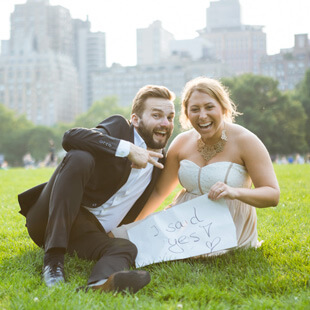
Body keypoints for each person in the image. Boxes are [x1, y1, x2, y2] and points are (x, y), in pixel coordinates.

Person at [17, 85, 175, 293]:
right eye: (157, 115)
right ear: (136, 120)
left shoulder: (162, 162)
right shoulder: (119, 128)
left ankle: (99, 284)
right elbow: (72, 136)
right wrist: (127, 150)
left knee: (126, 248)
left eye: (170, 117)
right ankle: (53, 261)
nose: (165, 123)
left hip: (88, 233)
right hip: (48, 220)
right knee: (79, 157)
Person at [111, 77, 280, 256]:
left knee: (178, 254)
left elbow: (272, 195)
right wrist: (134, 226)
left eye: (209, 107)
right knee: (119, 238)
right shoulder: (181, 142)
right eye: (194, 109)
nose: (202, 116)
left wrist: (234, 192)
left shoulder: (246, 141)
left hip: (230, 226)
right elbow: (159, 192)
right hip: (185, 221)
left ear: (223, 108)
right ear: (186, 113)